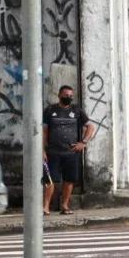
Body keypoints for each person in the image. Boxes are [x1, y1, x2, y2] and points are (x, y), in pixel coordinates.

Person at [43, 85, 96, 215]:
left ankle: (64, 206)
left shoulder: (77, 111)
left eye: (71, 96)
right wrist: (42, 150)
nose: (69, 98)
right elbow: (44, 131)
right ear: (59, 95)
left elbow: (90, 126)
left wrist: (83, 142)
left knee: (69, 180)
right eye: (66, 96)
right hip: (52, 152)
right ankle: (45, 207)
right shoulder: (50, 110)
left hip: (70, 153)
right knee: (49, 180)